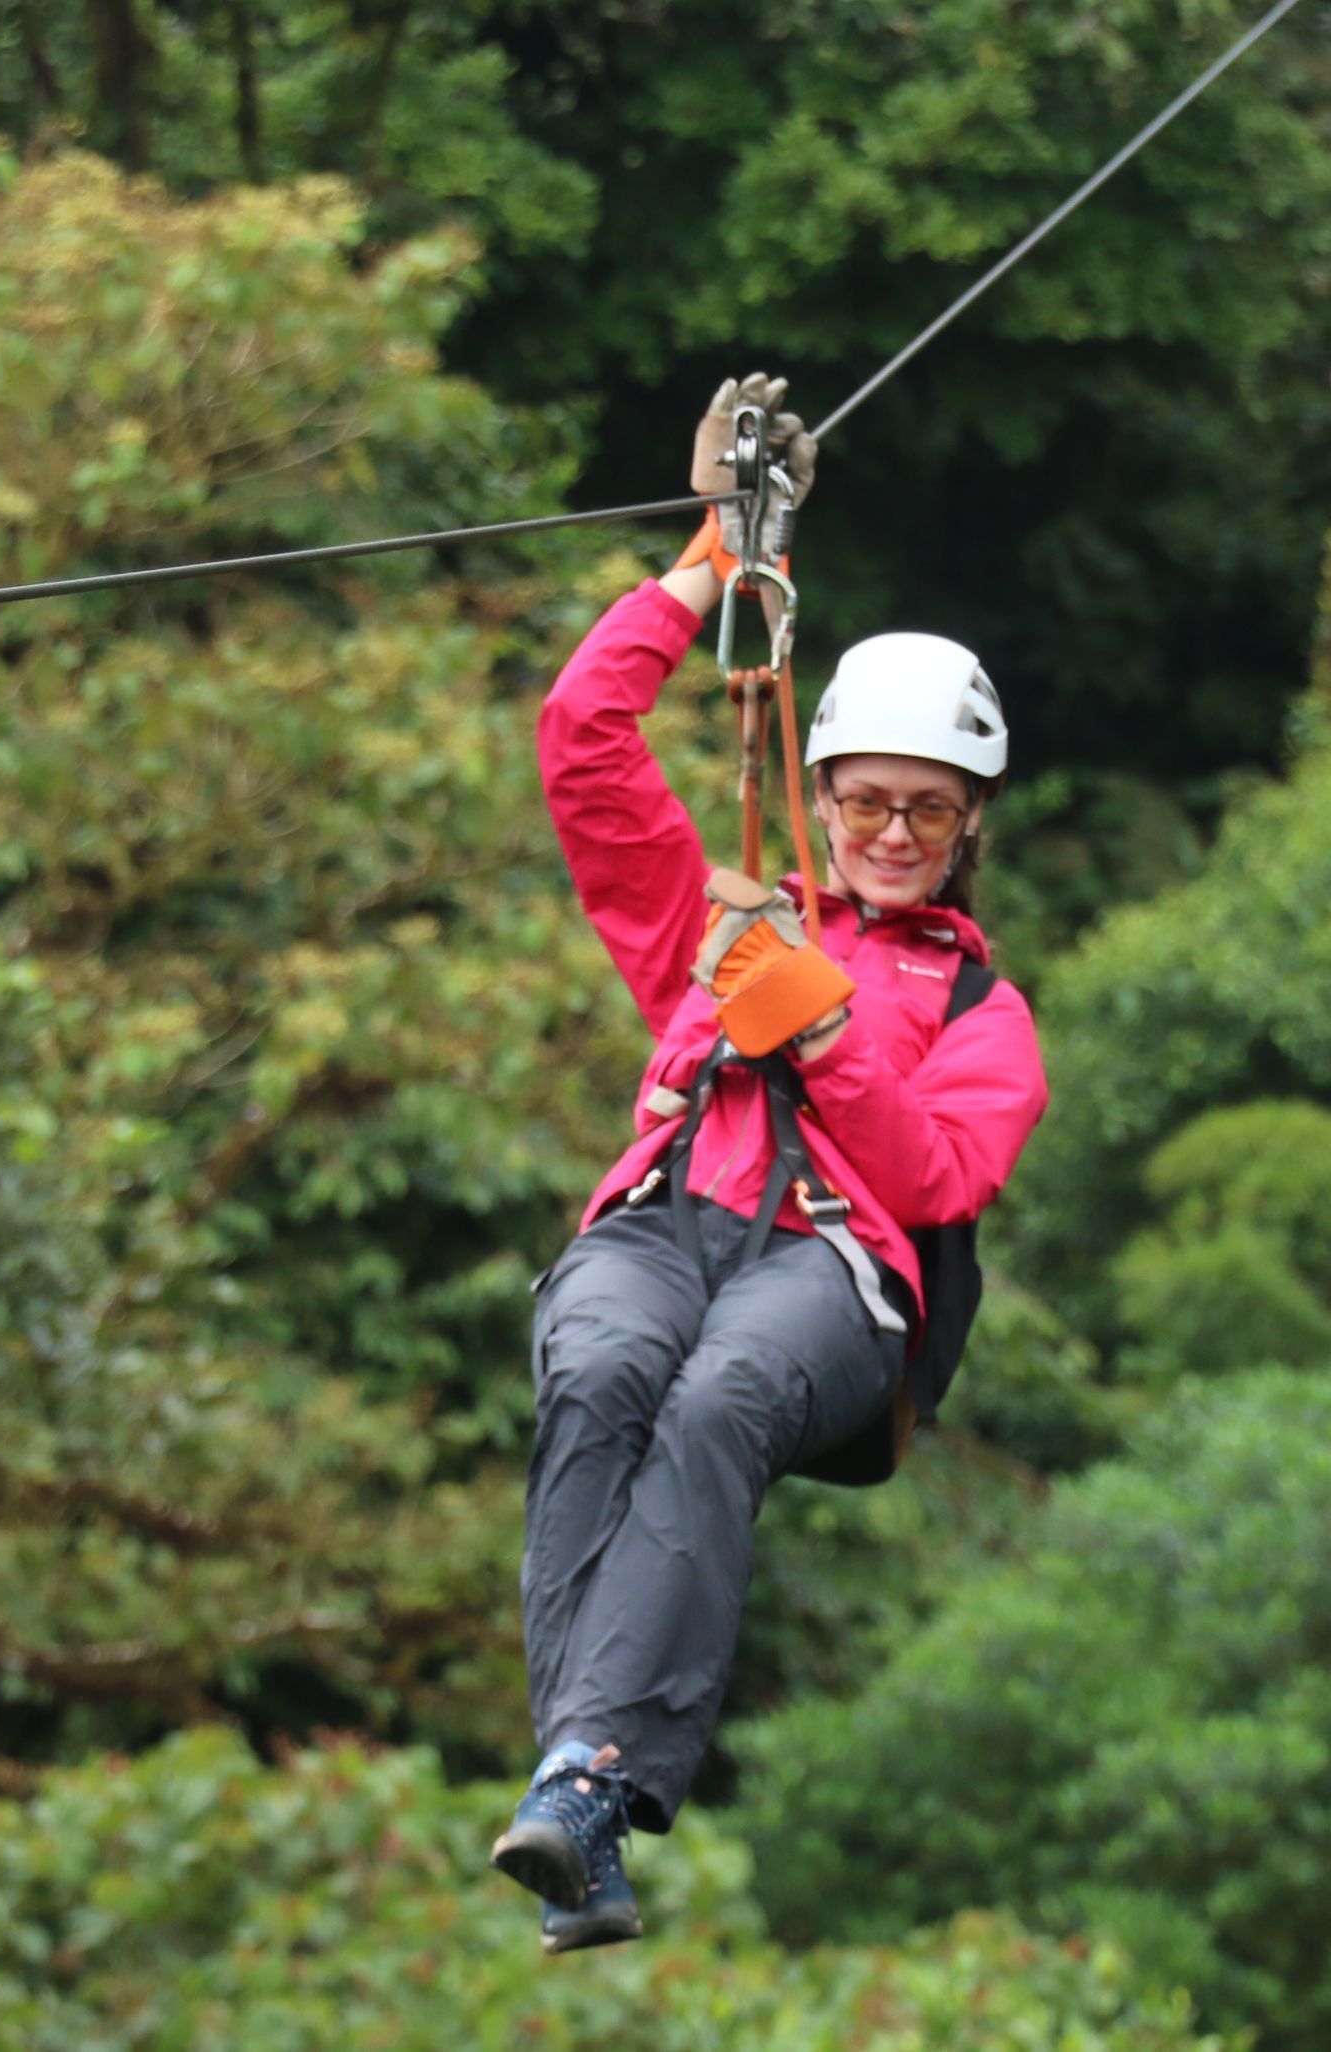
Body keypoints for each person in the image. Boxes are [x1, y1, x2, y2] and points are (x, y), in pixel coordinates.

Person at [489, 375, 1049, 1952]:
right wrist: (706, 565)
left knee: (724, 1395)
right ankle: (578, 1792)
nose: (889, 833)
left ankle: (592, 1775)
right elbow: (585, 740)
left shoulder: (987, 1014)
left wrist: (821, 1031)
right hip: (669, 1222)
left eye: (925, 814)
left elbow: (935, 1178)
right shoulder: (719, 921)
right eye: (865, 802)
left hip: (831, 1272)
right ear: (821, 796)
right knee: (599, 1369)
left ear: (966, 831)